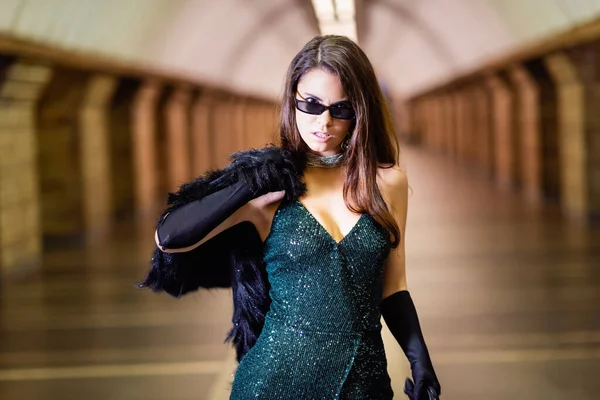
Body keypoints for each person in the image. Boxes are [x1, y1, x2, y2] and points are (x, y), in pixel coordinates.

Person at [140, 35, 441, 400]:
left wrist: (418, 358)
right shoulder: (269, 190)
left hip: (365, 383)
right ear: (293, 101)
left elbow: (393, 286)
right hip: (274, 383)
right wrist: (247, 184)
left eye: (341, 109)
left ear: (360, 112)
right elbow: (169, 237)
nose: (324, 122)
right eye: (311, 105)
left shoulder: (387, 182)